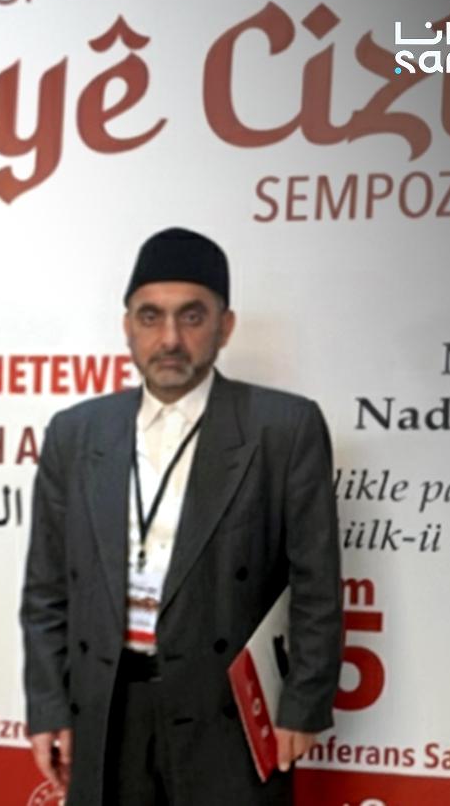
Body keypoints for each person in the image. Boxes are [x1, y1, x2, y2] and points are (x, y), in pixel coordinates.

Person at [20, 227, 343, 805]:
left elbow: (317, 586)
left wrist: (303, 704)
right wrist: (47, 705)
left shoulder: (284, 428)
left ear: (225, 326)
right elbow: (46, 589)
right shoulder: (75, 433)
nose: (170, 338)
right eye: (151, 316)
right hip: (106, 708)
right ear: (128, 326)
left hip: (229, 716)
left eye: (192, 317)